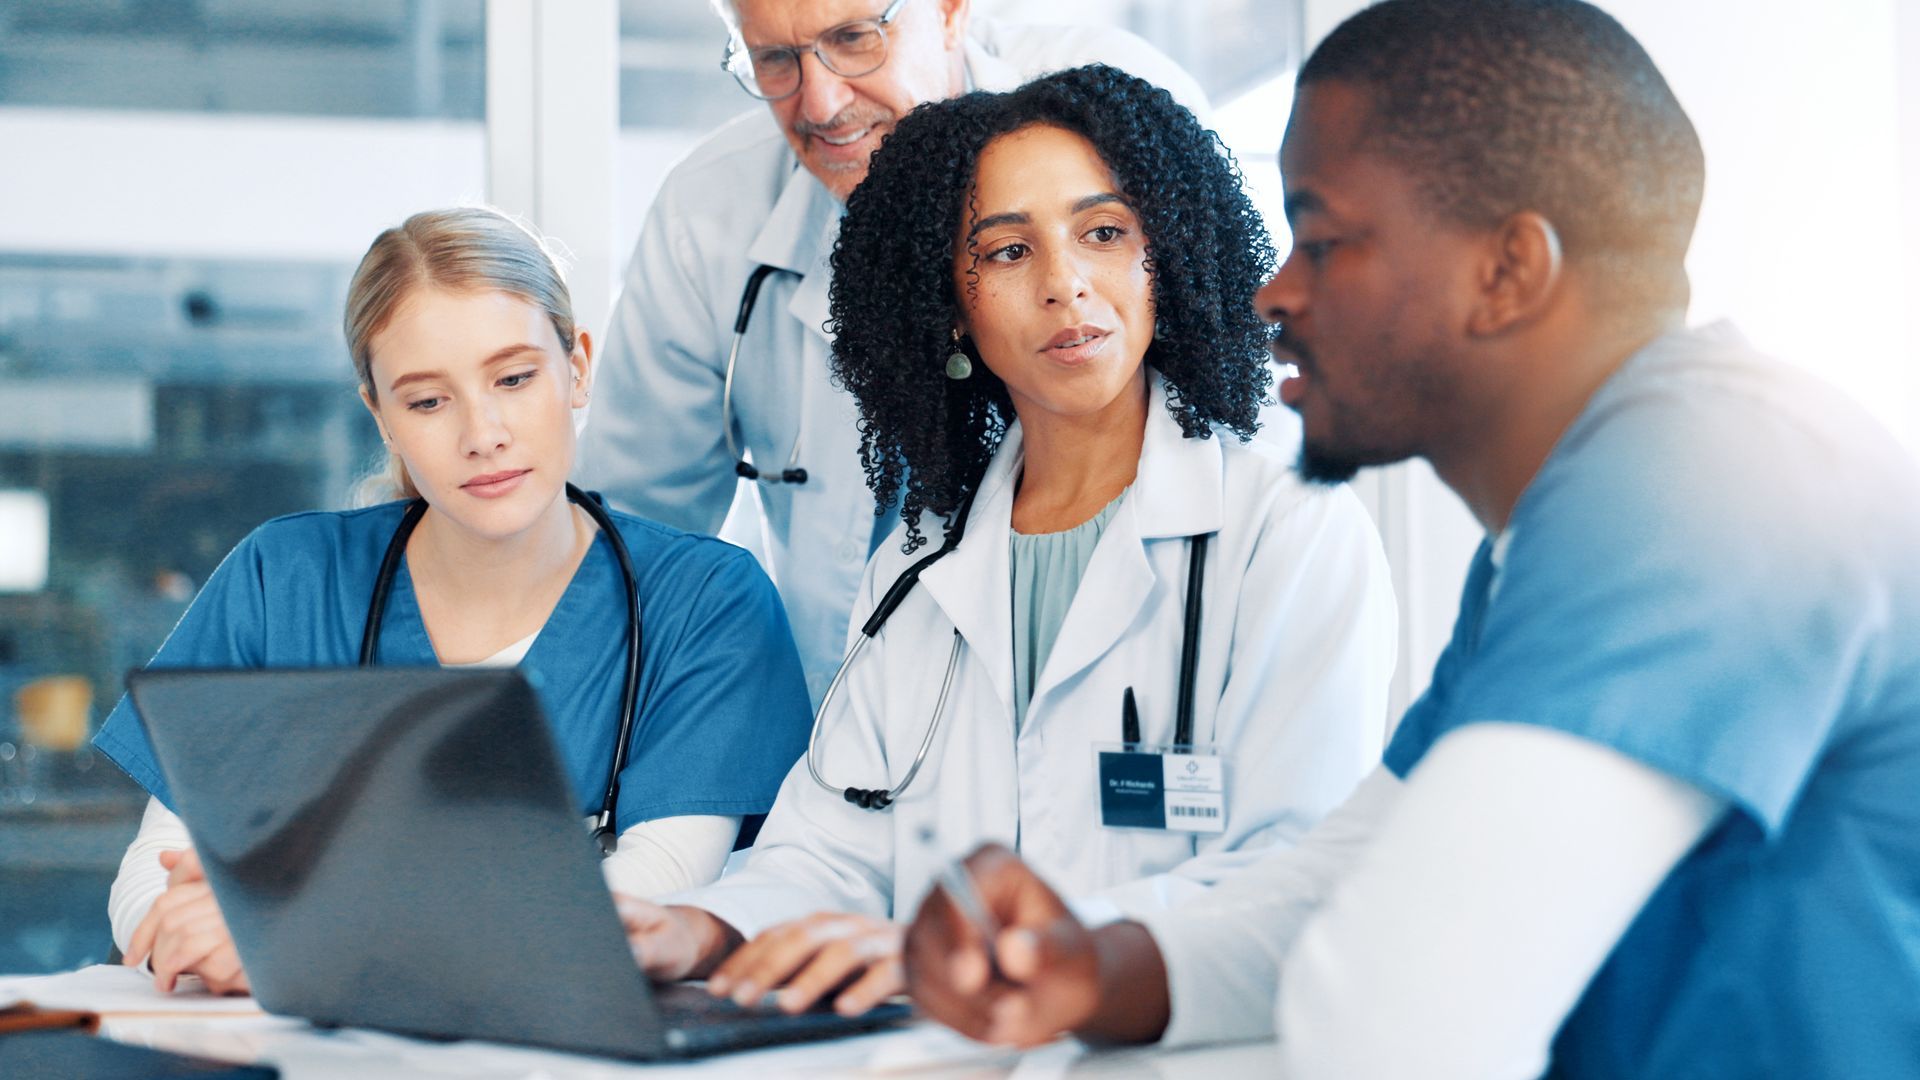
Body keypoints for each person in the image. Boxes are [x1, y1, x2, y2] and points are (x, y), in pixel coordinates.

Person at [900, 3, 1920, 1077]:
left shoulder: (1711, 485)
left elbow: (1392, 1016)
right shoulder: (1540, 546)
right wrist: (1094, 966)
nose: (1274, 292)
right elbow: (1355, 874)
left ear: (1507, 272)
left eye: (1324, 238)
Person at [616, 64, 1397, 1023]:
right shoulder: (919, 563)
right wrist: (700, 929)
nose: (1066, 285)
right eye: (1008, 251)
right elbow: (830, 850)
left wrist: (976, 956)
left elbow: (1293, 880)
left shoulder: (1286, 531)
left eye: (1104, 233)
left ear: (1169, 258)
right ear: (951, 304)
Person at [93, 207, 814, 995]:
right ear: (381, 415)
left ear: (576, 367)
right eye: (427, 401)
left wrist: (298, 933)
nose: (484, 432)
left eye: (513, 378)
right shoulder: (283, 581)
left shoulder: (704, 603)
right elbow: (153, 880)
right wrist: (187, 939)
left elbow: (650, 895)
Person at [577, 0, 1212, 705]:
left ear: (949, 12)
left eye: (853, 40)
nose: (819, 102)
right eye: (775, 60)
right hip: (832, 719)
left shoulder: (1115, 121)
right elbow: (633, 544)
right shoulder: (708, 213)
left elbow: (1228, 429)